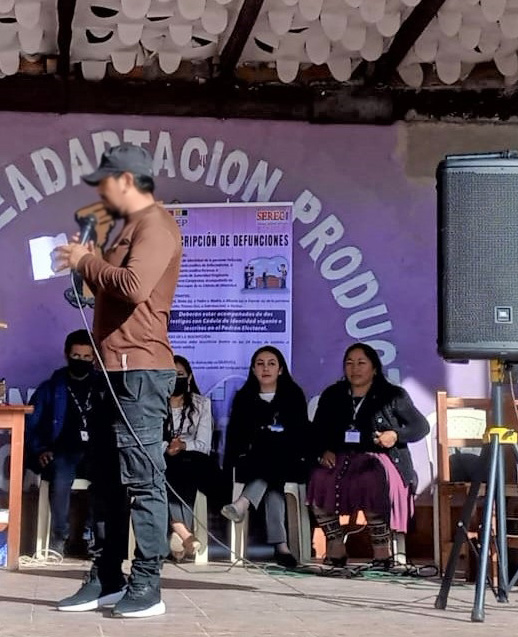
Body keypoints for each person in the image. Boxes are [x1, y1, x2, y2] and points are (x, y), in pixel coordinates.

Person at [53, 144, 182, 619]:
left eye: (105, 183)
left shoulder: (156, 225)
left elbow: (133, 286)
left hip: (140, 371)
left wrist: (87, 261)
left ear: (127, 180)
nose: (101, 193)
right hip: (111, 370)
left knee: (143, 480)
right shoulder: (126, 229)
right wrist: (84, 264)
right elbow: (104, 289)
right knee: (106, 479)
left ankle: (148, 584)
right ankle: (107, 575)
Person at [308, 342, 430, 569]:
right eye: (349, 363)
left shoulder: (392, 395)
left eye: (361, 363)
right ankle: (335, 545)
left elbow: (421, 427)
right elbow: (316, 432)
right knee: (319, 477)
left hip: (382, 459)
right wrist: (323, 450)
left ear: (374, 368)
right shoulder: (333, 395)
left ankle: (382, 551)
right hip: (342, 458)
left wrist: (395, 435)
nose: (354, 368)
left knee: (371, 478)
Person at [220, 346, 310, 568]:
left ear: (280, 369)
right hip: (252, 462)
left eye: (271, 363)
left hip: (288, 460)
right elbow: (235, 436)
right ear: (253, 369)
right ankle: (281, 546)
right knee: (272, 479)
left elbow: (300, 434)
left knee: (274, 454)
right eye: (260, 364)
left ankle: (243, 502)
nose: (265, 368)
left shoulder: (293, 395)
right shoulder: (244, 398)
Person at [25, 329, 105, 557]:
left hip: (95, 453)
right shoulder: (51, 387)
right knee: (60, 476)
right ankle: (59, 537)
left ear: (95, 358)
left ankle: (93, 537)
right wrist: (39, 450)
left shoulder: (102, 387)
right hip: (60, 453)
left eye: (87, 357)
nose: (81, 361)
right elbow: (31, 425)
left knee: (106, 476)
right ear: (66, 355)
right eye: (76, 356)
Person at [163, 355, 219, 562]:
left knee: (183, 469)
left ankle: (178, 533)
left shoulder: (201, 403)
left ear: (189, 378)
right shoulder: (154, 403)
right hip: (162, 458)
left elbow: (204, 445)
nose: (175, 379)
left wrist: (183, 446)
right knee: (165, 470)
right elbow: (148, 439)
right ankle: (183, 533)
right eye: (170, 375)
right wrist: (167, 447)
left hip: (192, 462)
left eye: (179, 375)